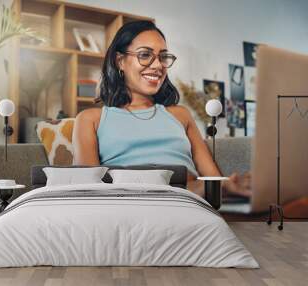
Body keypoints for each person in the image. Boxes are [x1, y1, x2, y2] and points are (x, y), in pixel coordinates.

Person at [72, 20, 251, 198]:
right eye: (145, 55)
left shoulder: (180, 115)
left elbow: (213, 179)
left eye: (163, 57)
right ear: (120, 61)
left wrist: (229, 185)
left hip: (192, 204)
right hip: (128, 207)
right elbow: (89, 190)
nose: (158, 65)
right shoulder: (90, 119)